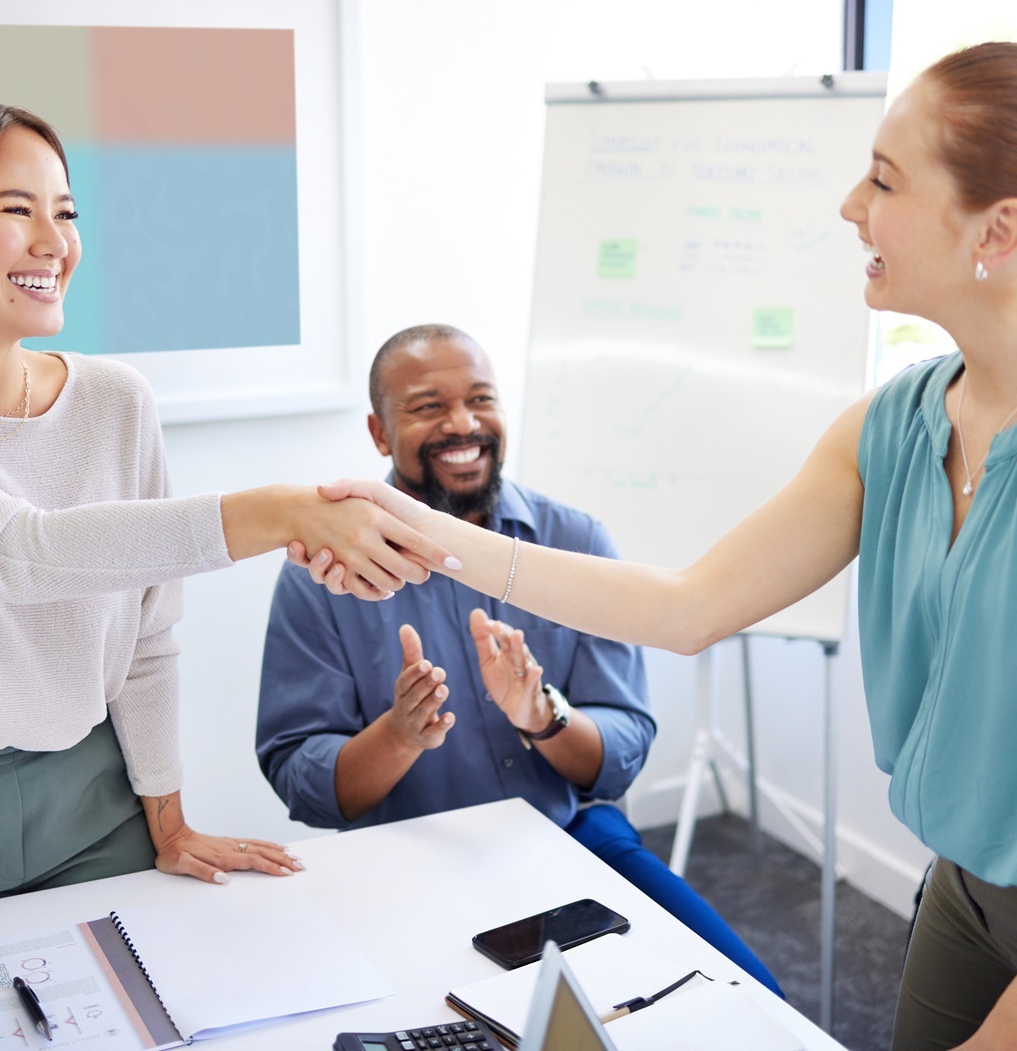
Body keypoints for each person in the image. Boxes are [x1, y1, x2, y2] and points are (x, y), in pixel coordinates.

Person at [294, 44, 1017, 1051]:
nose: (850, 205)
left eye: (884, 179)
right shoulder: (892, 422)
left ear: (1001, 228)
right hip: (967, 900)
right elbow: (686, 605)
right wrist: (426, 534)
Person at [0, 98, 449, 927]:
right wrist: (280, 512)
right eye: (16, 211)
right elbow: (18, 552)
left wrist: (166, 819)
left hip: (95, 799)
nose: (53, 243)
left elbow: (146, 634)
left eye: (64, 212)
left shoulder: (113, 401)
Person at [256, 324, 783, 995]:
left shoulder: (575, 539)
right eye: (427, 406)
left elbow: (621, 748)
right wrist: (397, 736)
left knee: (750, 997)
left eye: (481, 399)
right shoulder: (322, 573)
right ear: (379, 433)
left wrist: (544, 716)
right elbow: (302, 780)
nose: (462, 423)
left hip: (573, 838)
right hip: (408, 863)